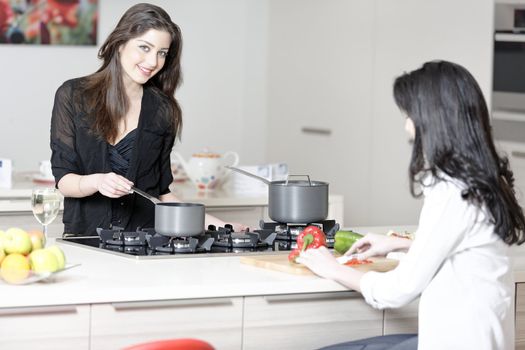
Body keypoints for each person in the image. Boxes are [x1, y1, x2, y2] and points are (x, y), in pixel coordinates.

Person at [298, 60, 525, 350]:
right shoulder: (487, 179)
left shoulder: (453, 192)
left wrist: (333, 268)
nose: (407, 125)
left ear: (434, 119)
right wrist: (401, 245)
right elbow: (468, 245)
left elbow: (398, 290)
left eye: (409, 115)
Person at [50, 3, 246, 236]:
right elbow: (64, 181)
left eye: (161, 53)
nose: (153, 62)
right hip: (85, 239)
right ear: (120, 44)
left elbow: (162, 194)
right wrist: (97, 182)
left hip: (145, 243)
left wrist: (222, 225)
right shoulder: (73, 95)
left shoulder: (164, 110)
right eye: (144, 47)